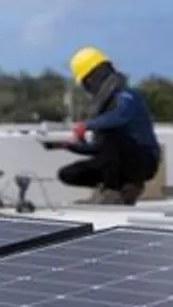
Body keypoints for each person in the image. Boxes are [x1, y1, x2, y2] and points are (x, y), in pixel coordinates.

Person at [46, 46, 161, 205]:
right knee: (68, 174)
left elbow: (120, 117)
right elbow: (99, 148)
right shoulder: (102, 109)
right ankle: (118, 189)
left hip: (142, 160)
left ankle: (115, 190)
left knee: (113, 135)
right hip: (117, 162)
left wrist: (87, 125)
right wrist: (69, 145)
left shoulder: (128, 96)